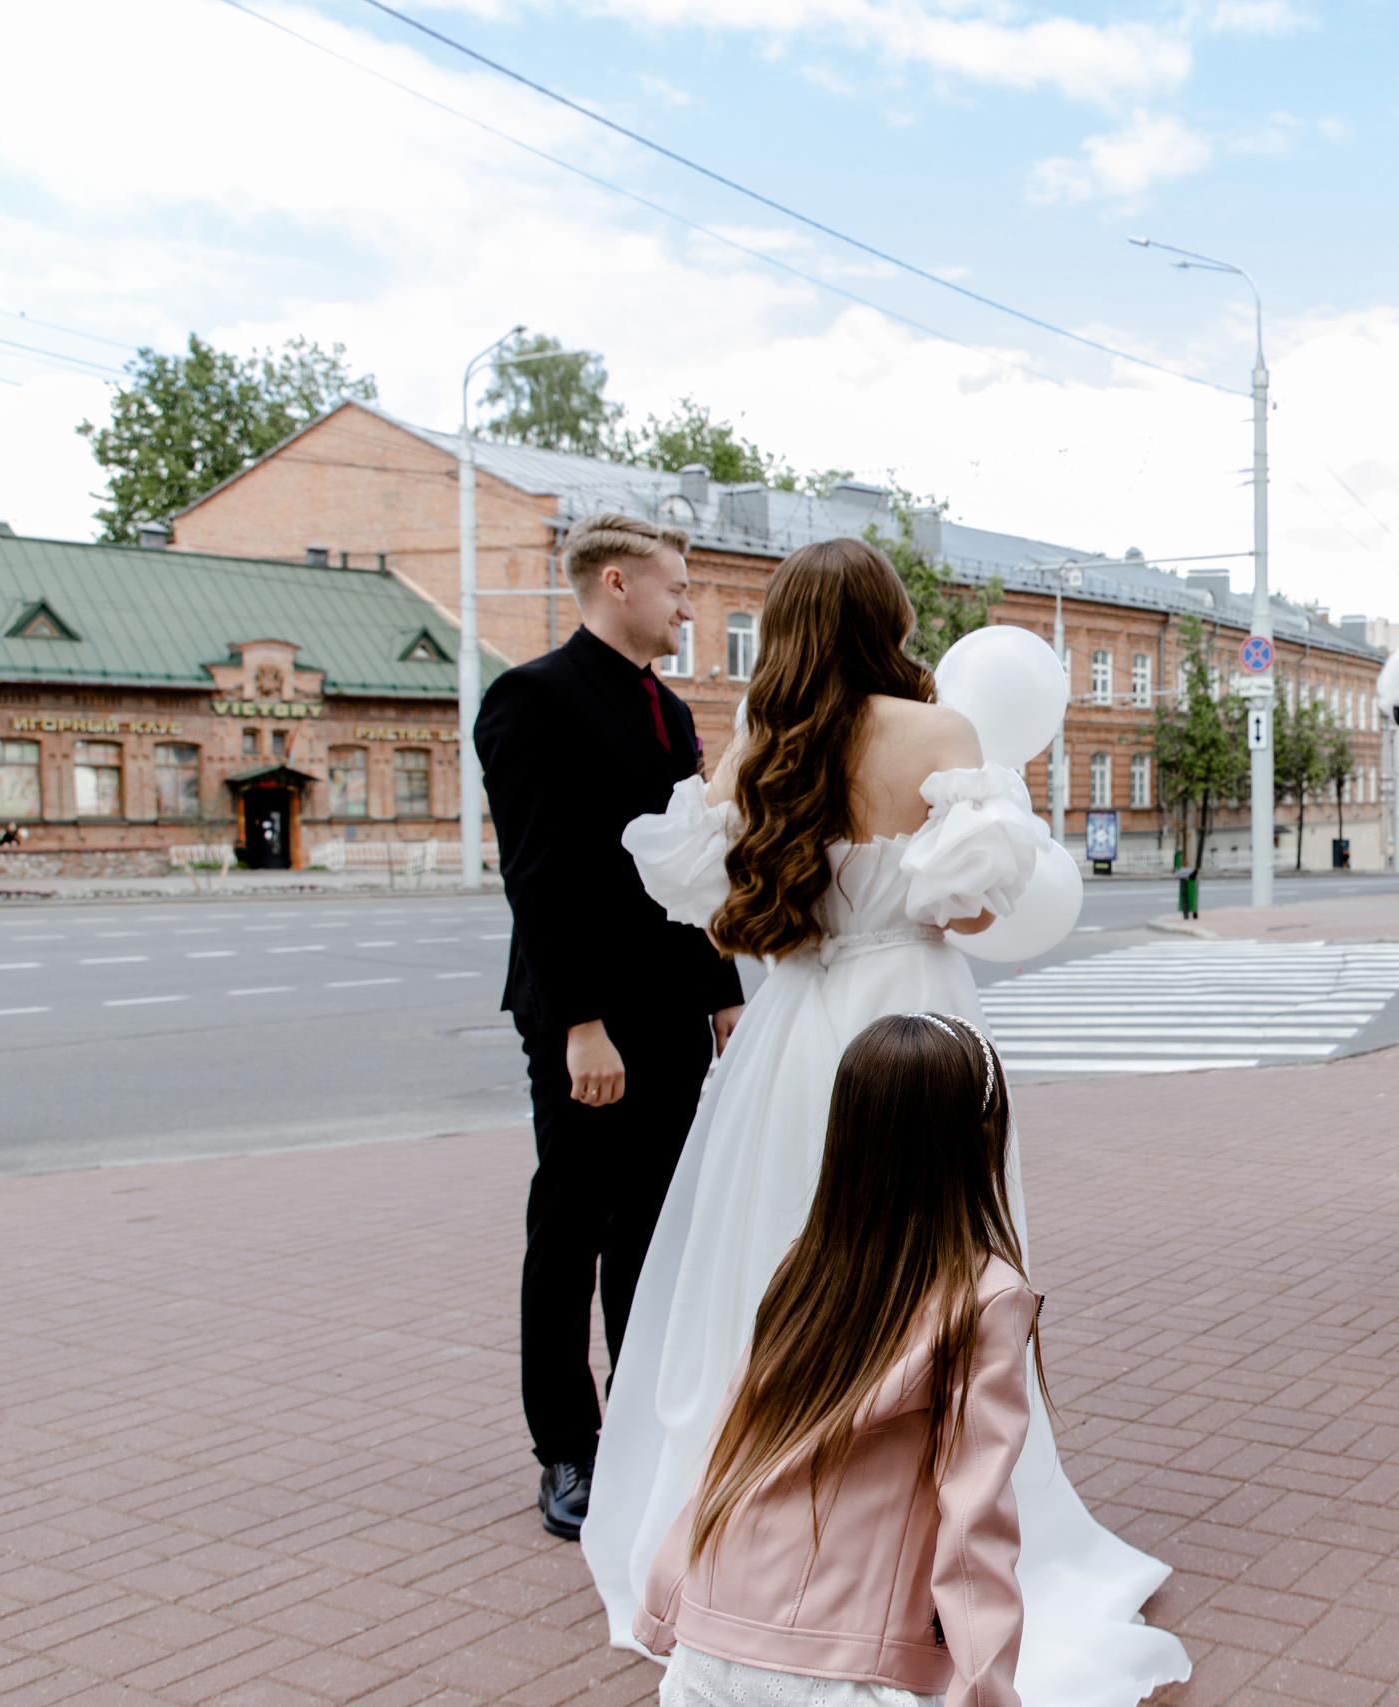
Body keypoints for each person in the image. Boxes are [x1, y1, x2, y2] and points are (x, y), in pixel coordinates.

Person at [586, 537, 1189, 1705]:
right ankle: (938, 1529)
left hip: (791, 1035)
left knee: (769, 1275)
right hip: (910, 1021)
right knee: (940, 1274)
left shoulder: (762, 747)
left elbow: (719, 920)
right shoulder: (940, 737)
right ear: (888, 621)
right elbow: (968, 912)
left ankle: (754, 1538)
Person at [637, 1012, 1036, 1707]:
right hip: (847, 1669)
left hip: (707, 1650)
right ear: (981, 1139)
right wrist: (986, 1695)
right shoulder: (985, 1297)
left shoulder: (806, 1266)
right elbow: (975, 1524)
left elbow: (731, 1441)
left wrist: (666, 1597)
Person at [477, 511, 745, 1543]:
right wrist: (580, 1024)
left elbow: (685, 872)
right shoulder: (530, 699)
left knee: (650, 1230)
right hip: (585, 1017)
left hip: (671, 1010)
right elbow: (538, 877)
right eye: (680, 589)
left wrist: (721, 992)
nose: (690, 607)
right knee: (573, 1230)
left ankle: (639, 1429)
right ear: (619, 583)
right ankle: (567, 1448)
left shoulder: (669, 713)